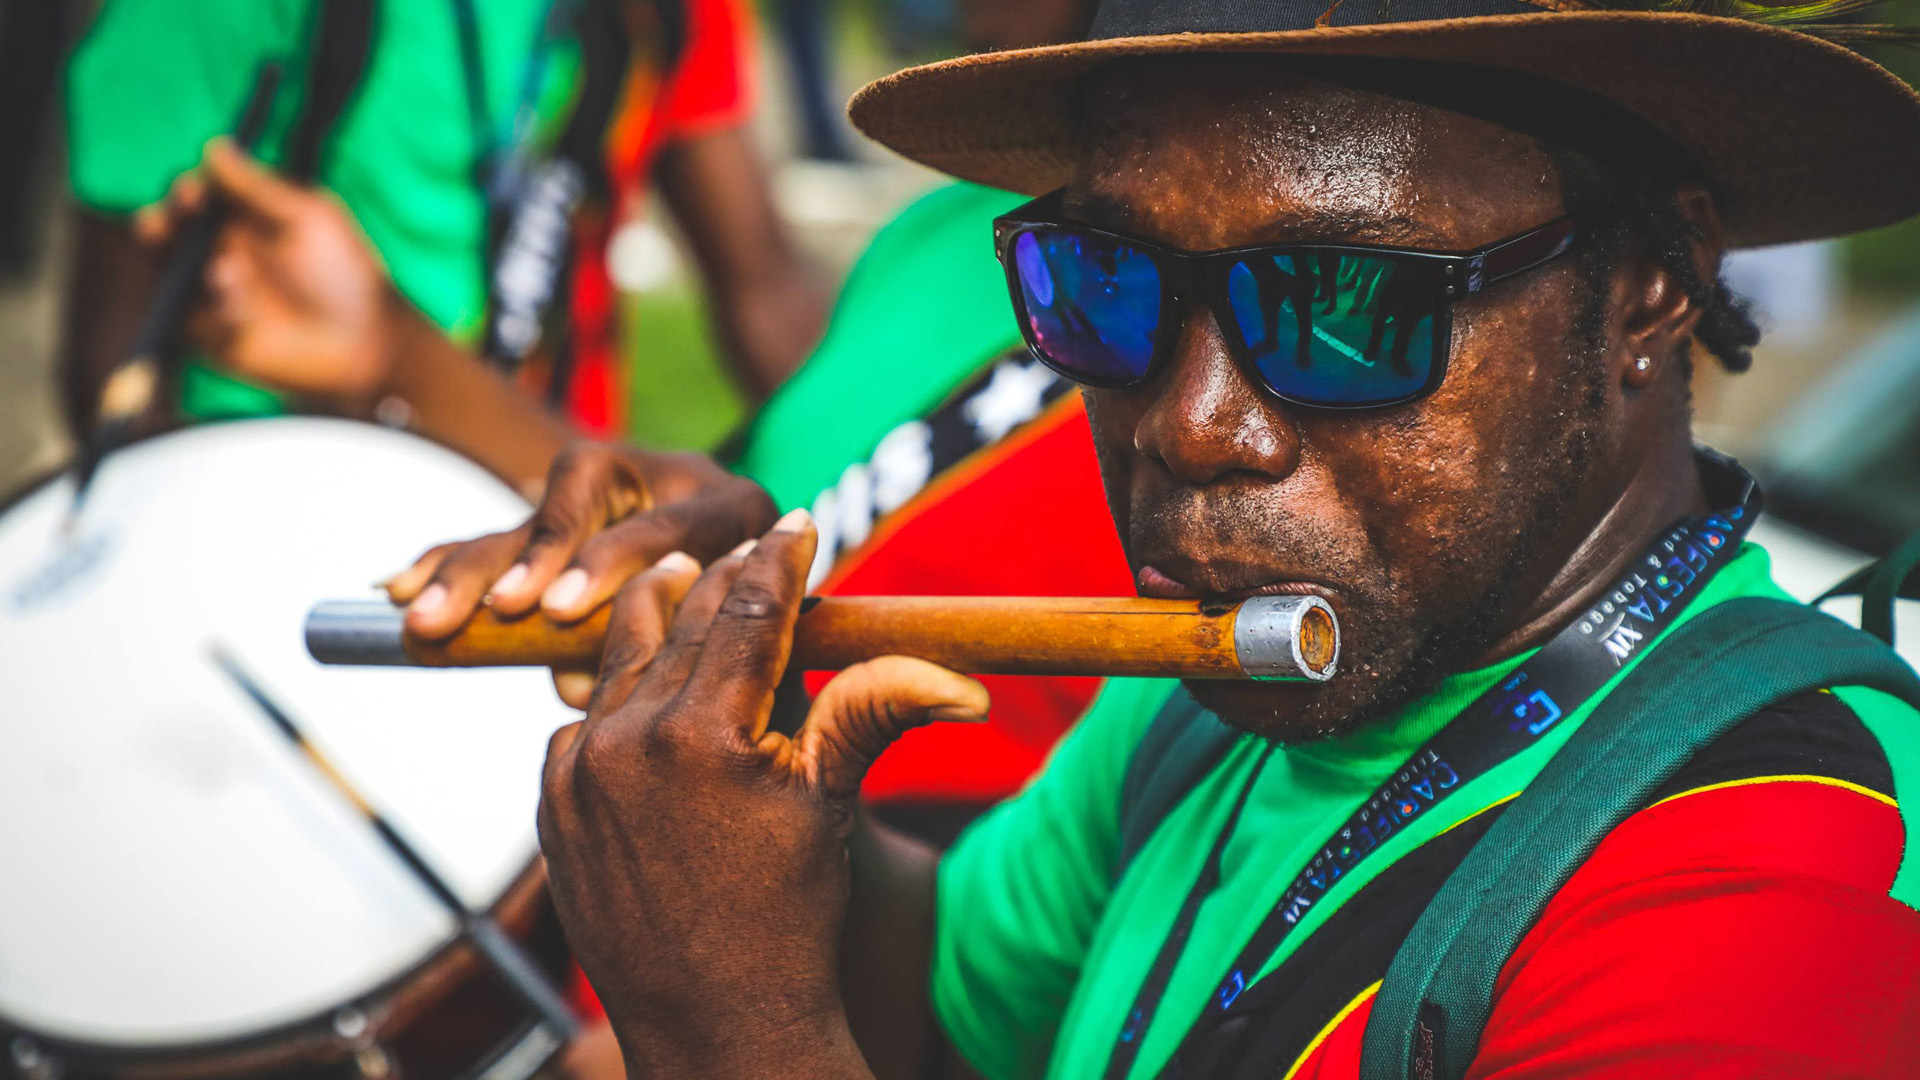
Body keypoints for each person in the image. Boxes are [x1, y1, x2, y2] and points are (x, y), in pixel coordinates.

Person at [398, 0, 1920, 1077]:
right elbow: (951, 1019)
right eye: (1106, 290)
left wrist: (735, 1041)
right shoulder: (1199, 717)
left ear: (1654, 289)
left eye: (1346, 306)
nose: (1193, 424)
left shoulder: (1784, 879)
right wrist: (733, 762)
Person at [61, 0, 823, 466]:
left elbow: (767, 288)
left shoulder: (659, 14)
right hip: (273, 502)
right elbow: (110, 362)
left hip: (549, 511)